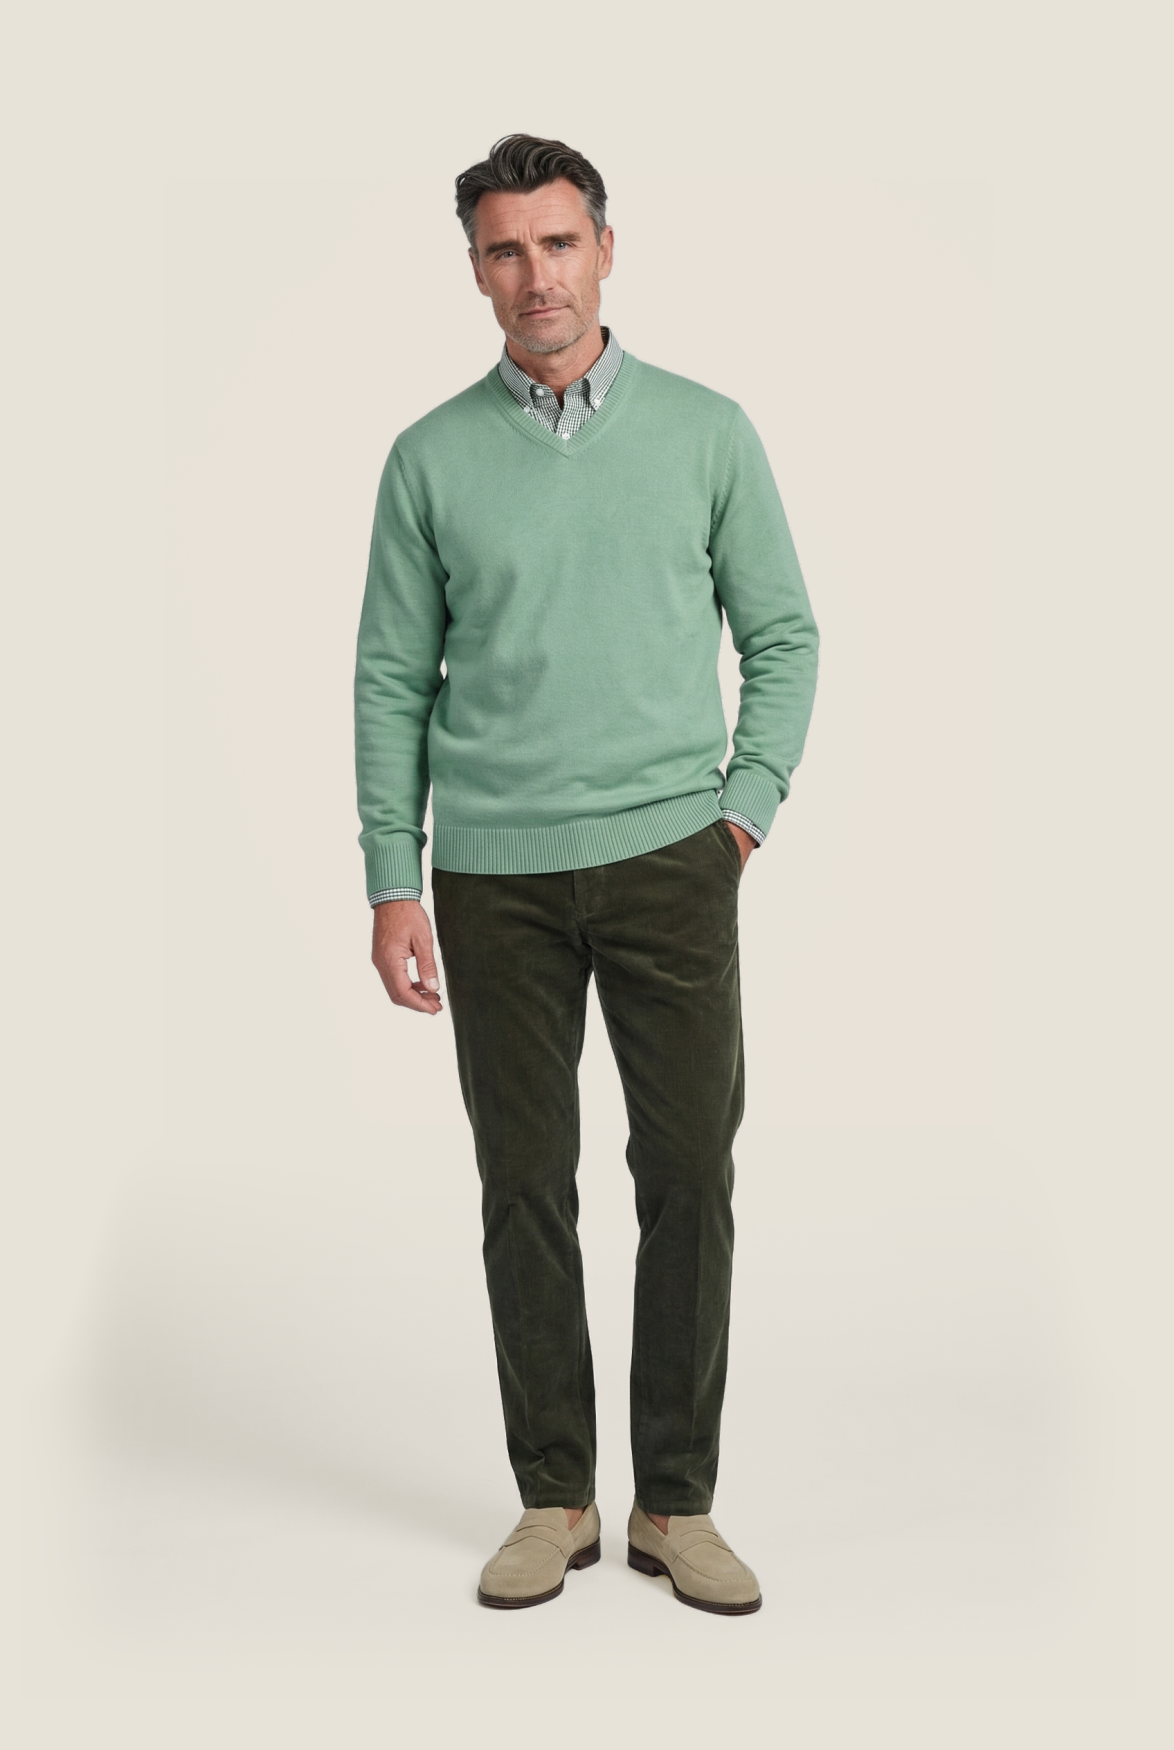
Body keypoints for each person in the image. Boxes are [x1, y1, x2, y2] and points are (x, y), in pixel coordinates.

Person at [354, 134, 818, 1614]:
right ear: (475, 270)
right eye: (504, 250)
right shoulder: (429, 458)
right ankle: (553, 1496)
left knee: (687, 1173)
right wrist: (392, 876)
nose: (534, 276)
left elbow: (783, 633)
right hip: (491, 875)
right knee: (521, 1185)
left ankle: (675, 1503)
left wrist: (739, 815)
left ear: (606, 251)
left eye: (557, 243)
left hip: (673, 858)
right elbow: (390, 681)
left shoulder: (707, 432)